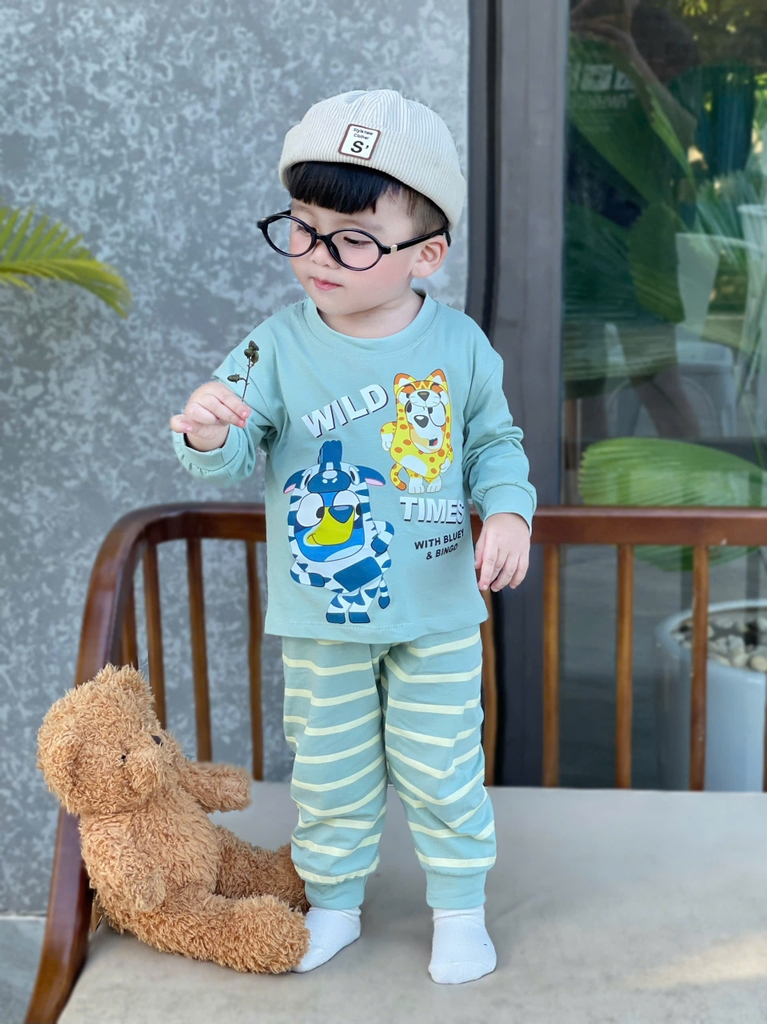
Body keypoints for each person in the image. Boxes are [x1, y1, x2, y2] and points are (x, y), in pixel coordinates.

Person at [170, 89, 537, 984]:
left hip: (437, 609)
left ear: (426, 254)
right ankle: (333, 903)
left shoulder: (459, 346)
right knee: (330, 773)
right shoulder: (272, 348)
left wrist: (509, 511)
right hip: (322, 615)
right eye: (302, 228)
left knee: (442, 767)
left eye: (353, 240)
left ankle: (459, 911)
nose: (317, 255)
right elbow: (228, 453)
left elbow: (493, 444)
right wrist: (208, 431)